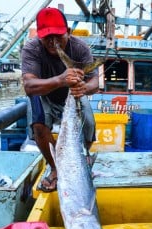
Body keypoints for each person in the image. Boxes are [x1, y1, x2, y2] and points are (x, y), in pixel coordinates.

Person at [21, 7, 99, 192]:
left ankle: (78, 159)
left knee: (88, 125)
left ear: (68, 32)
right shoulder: (31, 49)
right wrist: (60, 80)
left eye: (58, 35)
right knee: (38, 126)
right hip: (45, 95)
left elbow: (95, 82)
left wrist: (84, 88)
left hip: (73, 95)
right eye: (47, 36)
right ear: (39, 36)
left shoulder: (80, 48)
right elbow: (29, 86)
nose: (53, 41)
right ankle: (56, 167)